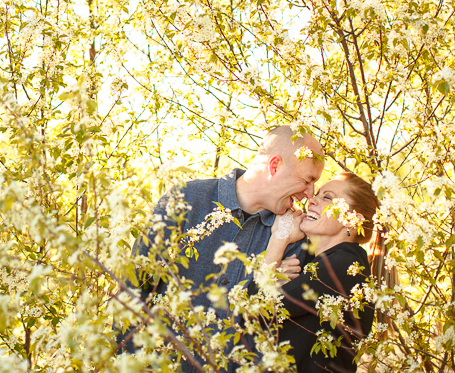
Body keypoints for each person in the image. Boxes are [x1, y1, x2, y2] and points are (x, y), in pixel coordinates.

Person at [116, 125, 324, 370]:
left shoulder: (293, 237)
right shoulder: (185, 201)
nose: (311, 194)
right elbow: (133, 291)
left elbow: (283, 329)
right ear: (274, 165)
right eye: (308, 180)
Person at [256, 171, 392, 372]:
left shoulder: (344, 267)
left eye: (327, 197)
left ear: (352, 221)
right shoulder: (320, 263)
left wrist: (279, 239)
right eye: (317, 194)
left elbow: (254, 308)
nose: (311, 200)